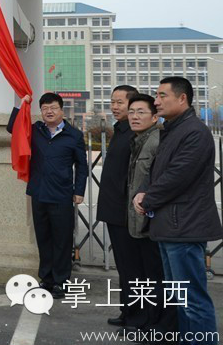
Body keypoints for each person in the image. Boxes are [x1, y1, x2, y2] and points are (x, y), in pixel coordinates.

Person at [134, 77, 222, 343]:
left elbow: (177, 176)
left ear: (182, 98)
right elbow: (158, 171)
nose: (156, 101)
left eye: (162, 95)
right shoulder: (172, 130)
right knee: (181, 298)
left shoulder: (194, 132)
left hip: (184, 227)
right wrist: (143, 192)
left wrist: (147, 199)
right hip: (170, 226)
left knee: (192, 299)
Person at [7, 92, 86, 299]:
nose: (49, 112)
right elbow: (12, 129)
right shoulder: (35, 131)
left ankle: (61, 281)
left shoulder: (74, 135)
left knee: (62, 240)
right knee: (44, 238)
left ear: (61, 110)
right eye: (45, 108)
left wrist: (79, 191)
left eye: (53, 108)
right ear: (41, 111)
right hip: (39, 193)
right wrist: (20, 105)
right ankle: (46, 279)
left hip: (61, 195)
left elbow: (82, 166)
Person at [124, 93, 173, 333]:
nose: (134, 116)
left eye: (141, 112)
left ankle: (158, 325)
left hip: (151, 221)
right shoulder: (139, 139)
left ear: (155, 117)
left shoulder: (157, 141)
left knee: (156, 278)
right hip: (138, 220)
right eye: (131, 111)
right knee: (146, 277)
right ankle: (148, 322)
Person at [94, 85, 138, 327]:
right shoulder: (120, 131)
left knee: (133, 269)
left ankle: (136, 317)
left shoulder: (134, 133)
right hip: (113, 211)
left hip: (125, 213)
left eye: (120, 102)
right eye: (113, 102)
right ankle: (127, 312)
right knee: (124, 267)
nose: (114, 106)